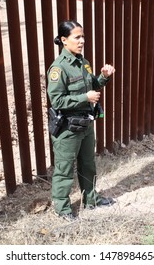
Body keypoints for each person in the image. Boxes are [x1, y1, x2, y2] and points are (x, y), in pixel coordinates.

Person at [47, 20, 115, 221]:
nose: (82, 40)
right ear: (63, 40)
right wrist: (84, 98)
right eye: (77, 37)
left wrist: (103, 77)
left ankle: (91, 200)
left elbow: (92, 84)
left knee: (88, 164)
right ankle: (62, 208)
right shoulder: (58, 68)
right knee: (64, 169)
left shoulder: (84, 62)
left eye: (83, 36)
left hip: (86, 124)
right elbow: (57, 100)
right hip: (68, 128)